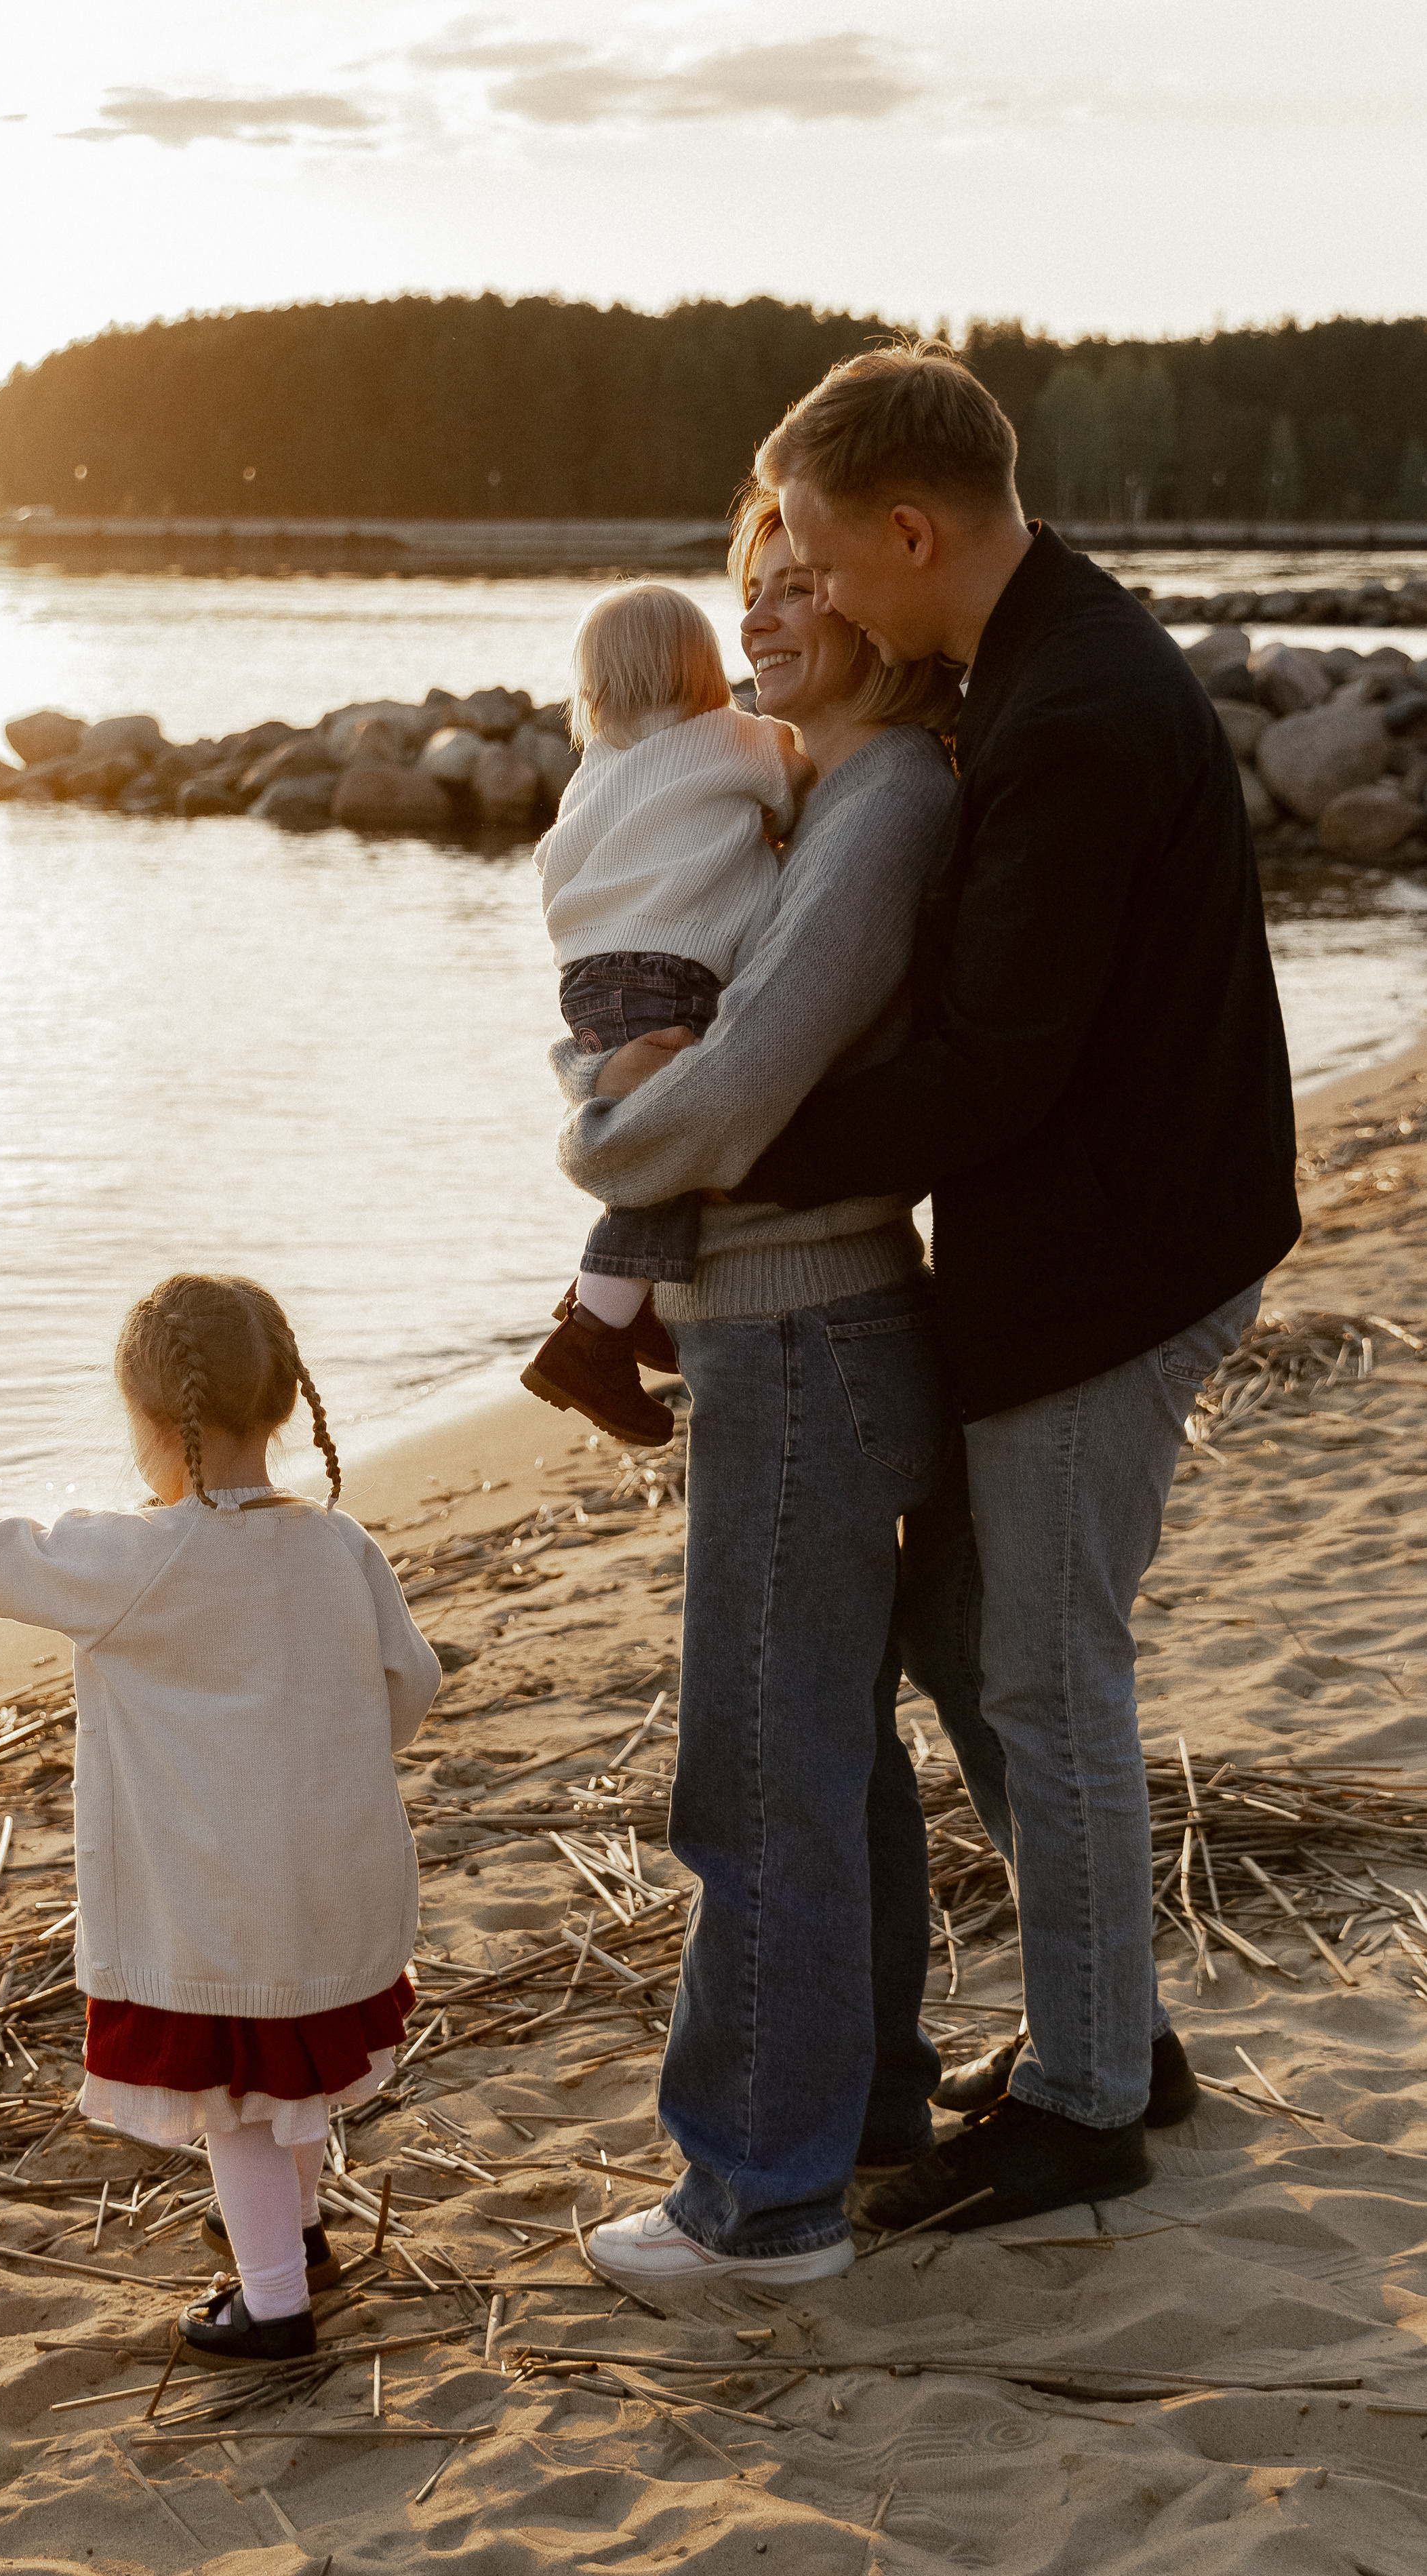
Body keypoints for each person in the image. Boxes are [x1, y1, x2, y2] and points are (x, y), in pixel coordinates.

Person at [729, 343, 1300, 2231]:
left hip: (1114, 1272)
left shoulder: (1062, 713)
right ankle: (1109, 2027)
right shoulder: (1045, 656)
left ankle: (1083, 2099)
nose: (805, 595)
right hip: (1113, 1235)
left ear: (908, 529)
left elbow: (995, 1071)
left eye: (817, 559)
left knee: (1045, 1680)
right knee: (973, 1642)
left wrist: (733, 1143)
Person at [548, 492, 964, 2287]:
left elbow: (733, 1090)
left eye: (804, 586)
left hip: (797, 1328)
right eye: (754, 592)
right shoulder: (819, 792)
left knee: (757, 1775)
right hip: (792, 1326)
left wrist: (596, 1136)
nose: (770, 617)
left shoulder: (881, 801)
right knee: (829, 1756)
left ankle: (757, 2201)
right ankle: (861, 2109)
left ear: (893, 587)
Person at [0, 1270, 440, 2366]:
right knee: (289, 2077)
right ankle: (297, 2238)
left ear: (145, 1418)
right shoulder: (338, 1544)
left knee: (239, 2107)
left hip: (218, 1899)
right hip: (341, 1878)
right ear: (286, 1402)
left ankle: (274, 2308)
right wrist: (331, 1763)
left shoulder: (137, 1559)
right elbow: (410, 1685)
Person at [521, 580, 813, 1447]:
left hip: (589, 977)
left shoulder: (595, 773)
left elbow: (553, 868)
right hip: (670, 966)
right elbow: (802, 781)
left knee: (643, 1135)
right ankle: (590, 1335)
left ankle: (633, 1301)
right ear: (705, 673)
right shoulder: (730, 739)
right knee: (669, 1147)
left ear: (595, 693)